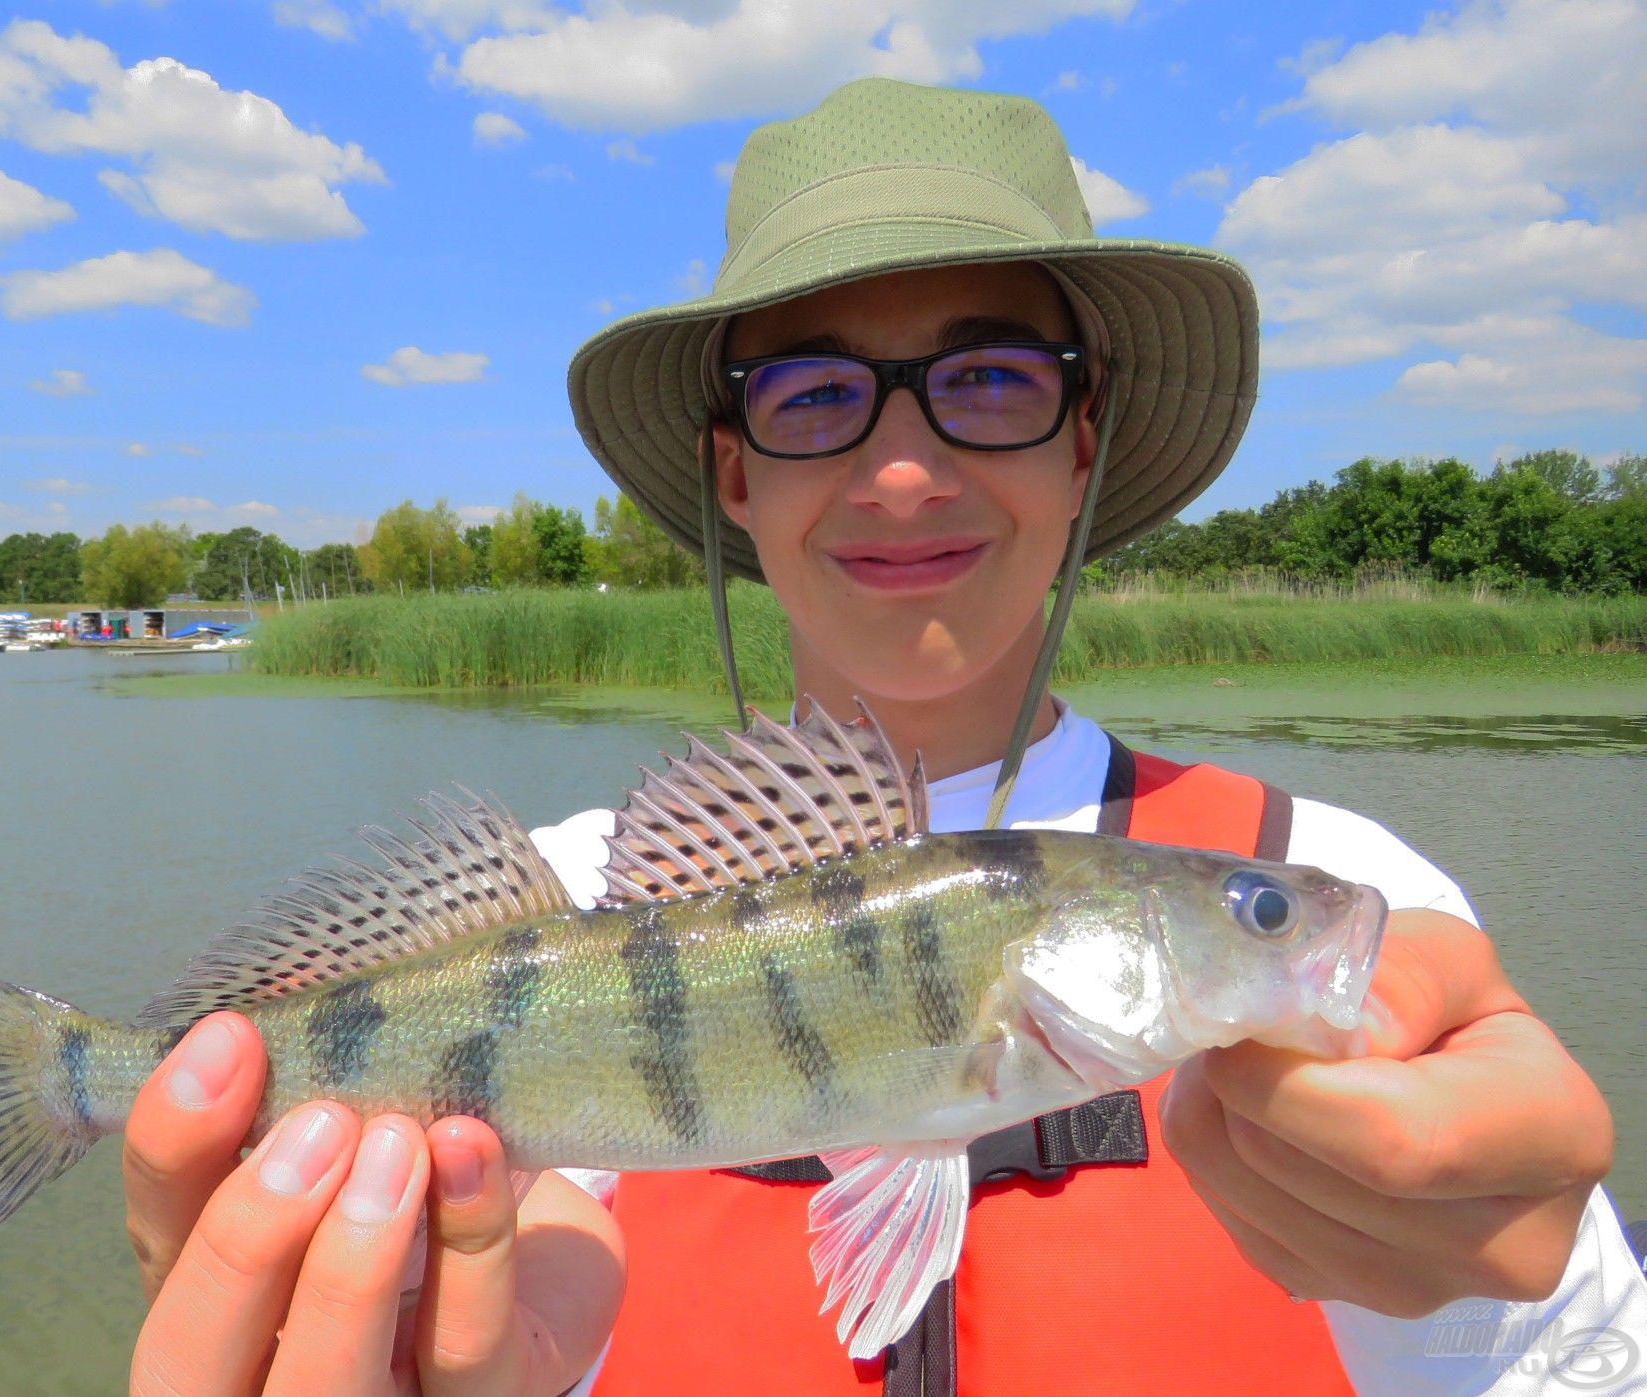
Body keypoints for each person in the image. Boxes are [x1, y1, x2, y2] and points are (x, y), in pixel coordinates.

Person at [122, 80, 1641, 1394]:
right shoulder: (586, 894)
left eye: (988, 379)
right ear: (731, 472)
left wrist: (1493, 1290)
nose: (903, 470)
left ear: (1086, 436)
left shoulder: (1351, 876)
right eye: (816, 391)